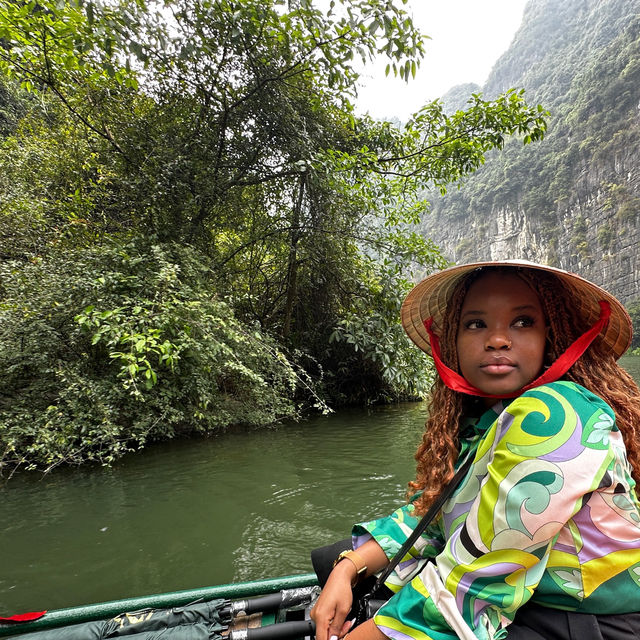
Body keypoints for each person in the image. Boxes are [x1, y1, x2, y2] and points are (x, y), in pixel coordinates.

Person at [310, 260, 640, 640]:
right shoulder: (486, 423)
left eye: (522, 322)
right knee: (330, 558)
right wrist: (346, 567)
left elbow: (475, 583)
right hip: (532, 604)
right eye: (476, 324)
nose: (497, 339)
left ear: (552, 337)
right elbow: (429, 523)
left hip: (589, 624)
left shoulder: (557, 413)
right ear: (454, 340)